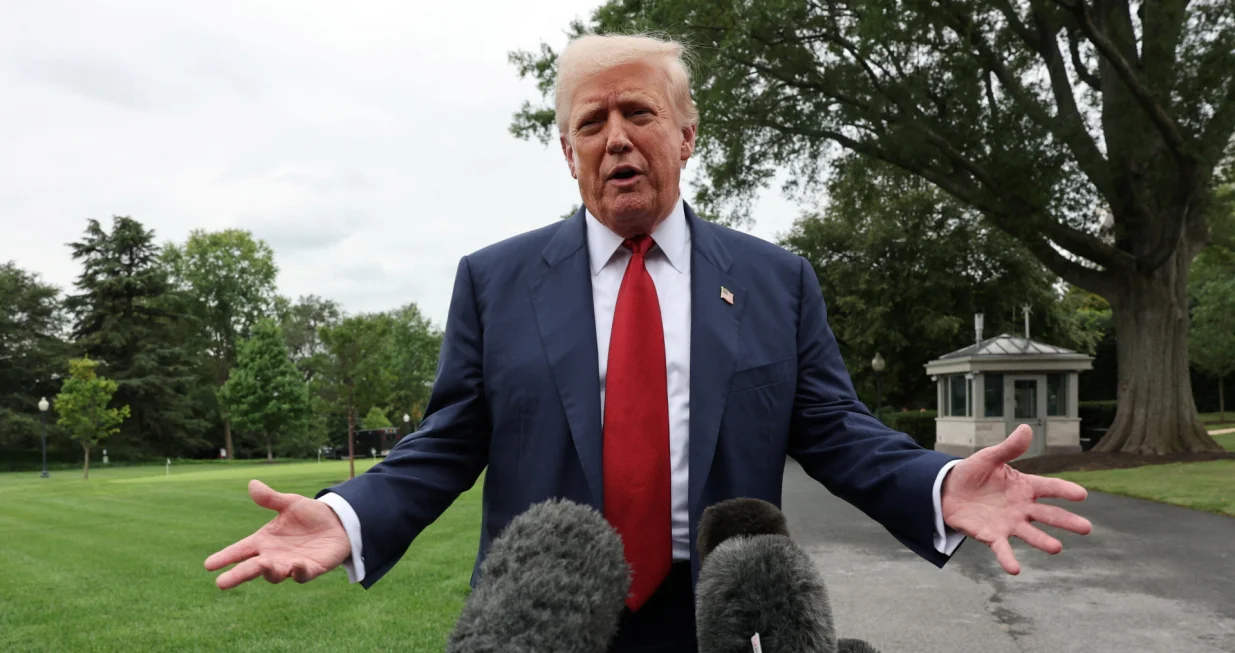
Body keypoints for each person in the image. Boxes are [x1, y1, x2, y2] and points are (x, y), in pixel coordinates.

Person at [205, 33, 1092, 652]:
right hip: (540, 618)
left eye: (637, 112)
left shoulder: (777, 280)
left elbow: (833, 429)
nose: (616, 138)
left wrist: (939, 484)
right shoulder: (492, 280)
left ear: (687, 132)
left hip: (716, 616)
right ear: (566, 151)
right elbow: (447, 444)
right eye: (591, 123)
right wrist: (349, 513)